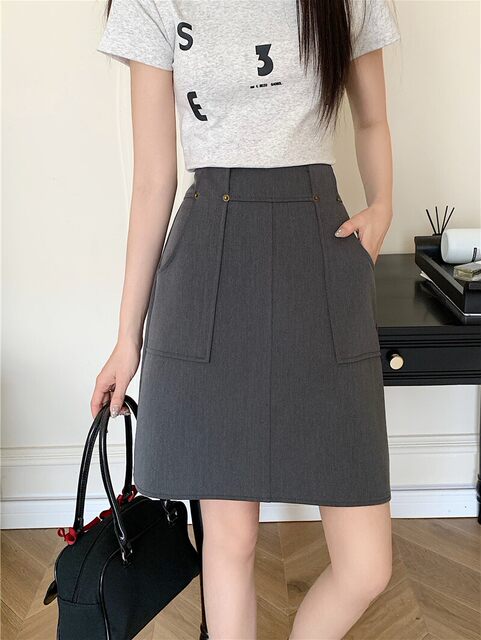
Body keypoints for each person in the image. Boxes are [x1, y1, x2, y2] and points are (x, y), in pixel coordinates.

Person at [92, 1, 401, 638]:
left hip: (320, 255)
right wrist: (127, 339)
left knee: (367, 566)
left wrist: (383, 205)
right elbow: (153, 179)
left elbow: (372, 118)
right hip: (210, 263)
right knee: (229, 542)